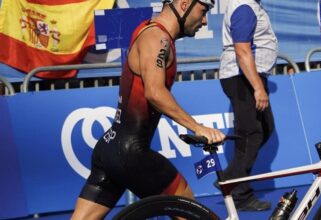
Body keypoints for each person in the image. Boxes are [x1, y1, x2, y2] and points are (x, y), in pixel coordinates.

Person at [71, 0, 225, 219]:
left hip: (109, 148)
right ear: (184, 4)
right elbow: (154, 92)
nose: (204, 20)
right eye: (203, 11)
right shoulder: (157, 38)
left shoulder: (150, 31)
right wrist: (197, 127)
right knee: (193, 214)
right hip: (131, 153)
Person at [217, 0, 278, 211]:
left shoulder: (249, 5)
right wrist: (258, 87)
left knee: (266, 129)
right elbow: (242, 51)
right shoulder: (244, 6)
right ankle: (240, 195)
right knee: (250, 134)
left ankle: (230, 177)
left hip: (247, 77)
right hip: (242, 77)